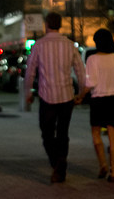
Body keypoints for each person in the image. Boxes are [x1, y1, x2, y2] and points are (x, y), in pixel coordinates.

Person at [25, 12, 86, 183]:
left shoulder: (39, 45)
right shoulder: (69, 45)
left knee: (47, 133)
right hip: (67, 96)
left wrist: (28, 93)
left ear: (46, 24)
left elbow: (30, 72)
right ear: (60, 24)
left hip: (47, 96)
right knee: (63, 133)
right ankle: (61, 162)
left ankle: (57, 163)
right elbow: (81, 71)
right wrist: (81, 93)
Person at [75, 28, 114, 182]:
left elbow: (91, 83)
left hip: (98, 99)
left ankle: (103, 164)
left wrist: (80, 96)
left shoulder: (92, 59)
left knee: (96, 132)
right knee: (112, 134)